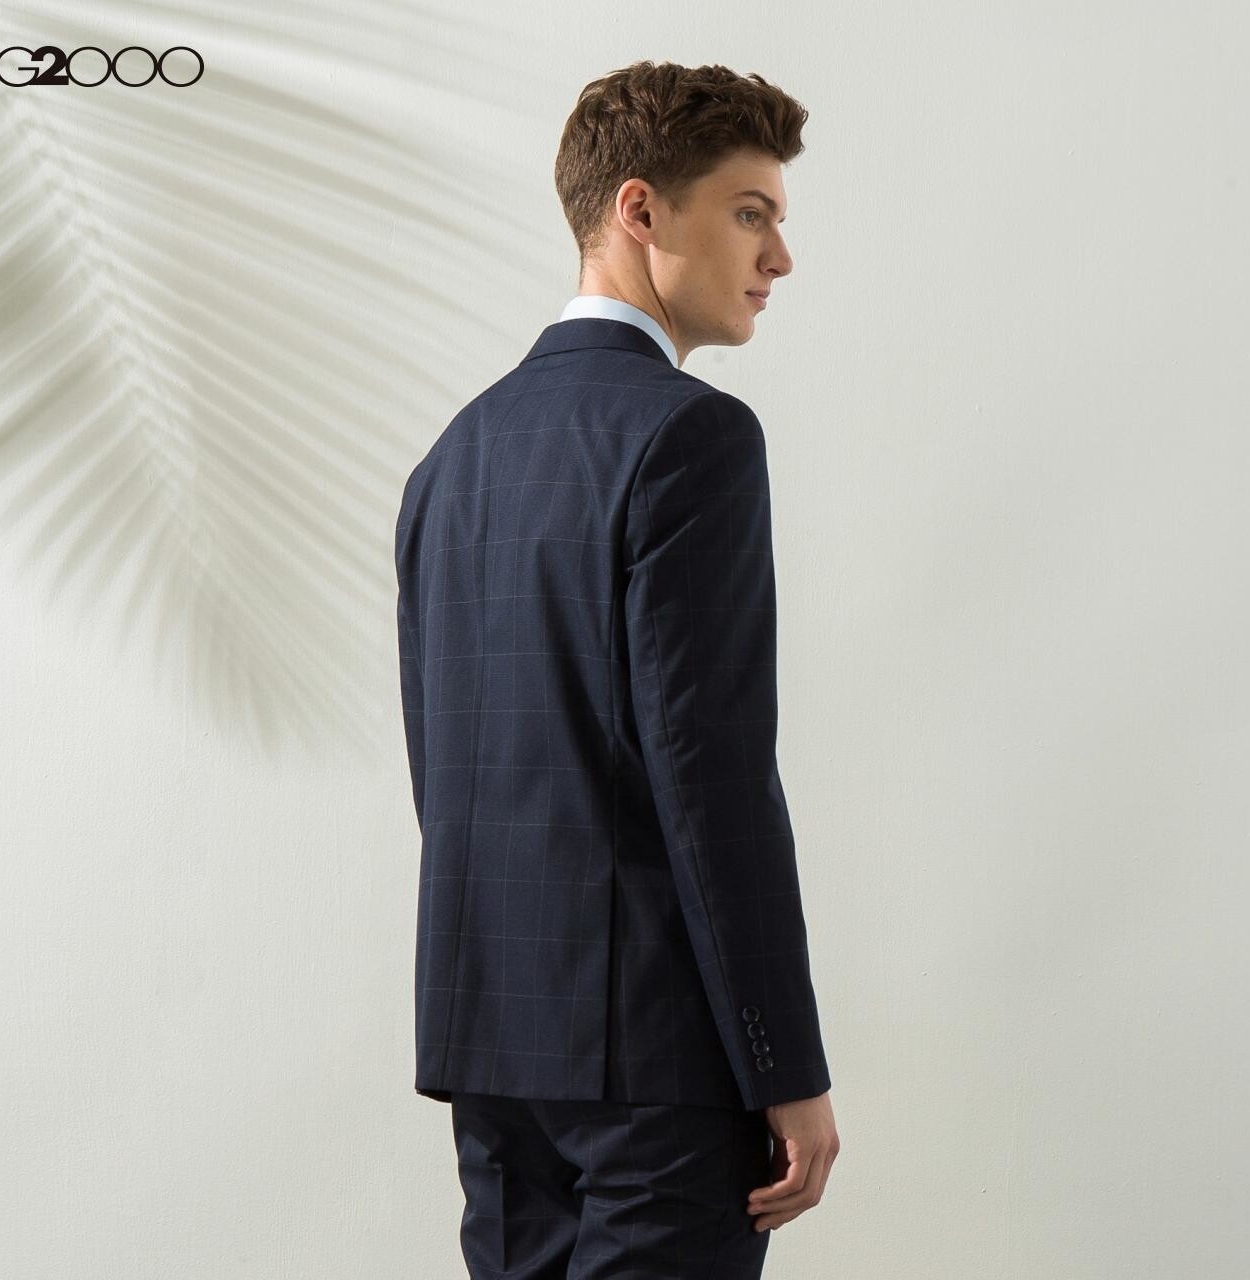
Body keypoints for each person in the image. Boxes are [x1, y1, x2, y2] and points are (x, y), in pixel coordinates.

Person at [395, 58, 840, 1277]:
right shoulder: (691, 434)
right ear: (638, 209)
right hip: (658, 1065)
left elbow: (445, 771)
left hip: (494, 1052)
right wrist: (783, 1062)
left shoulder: (451, 456)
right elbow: (712, 778)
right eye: (749, 212)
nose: (777, 255)